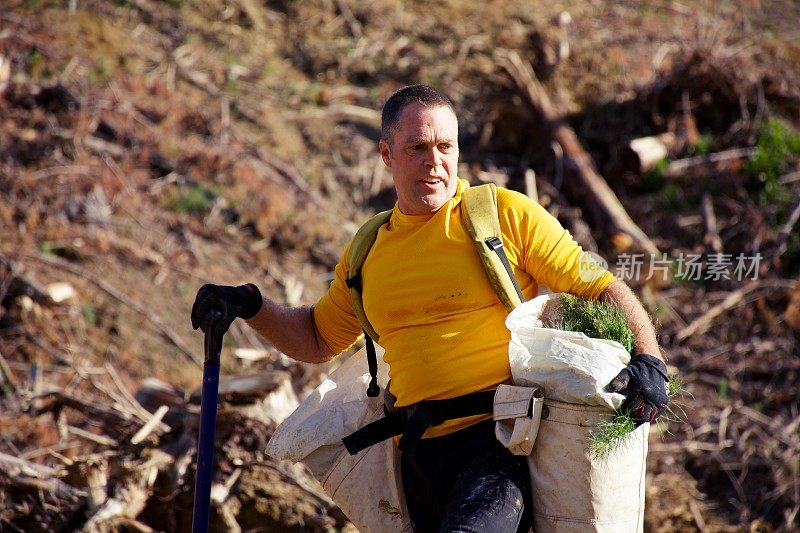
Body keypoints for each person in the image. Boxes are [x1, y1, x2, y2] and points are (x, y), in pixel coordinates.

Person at [191, 85, 668, 533]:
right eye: (418, 147)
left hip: (501, 444)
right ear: (387, 154)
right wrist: (250, 304)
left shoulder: (500, 215)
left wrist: (651, 360)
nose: (435, 162)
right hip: (416, 456)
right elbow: (317, 339)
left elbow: (601, 285)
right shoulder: (367, 252)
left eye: (446, 147)